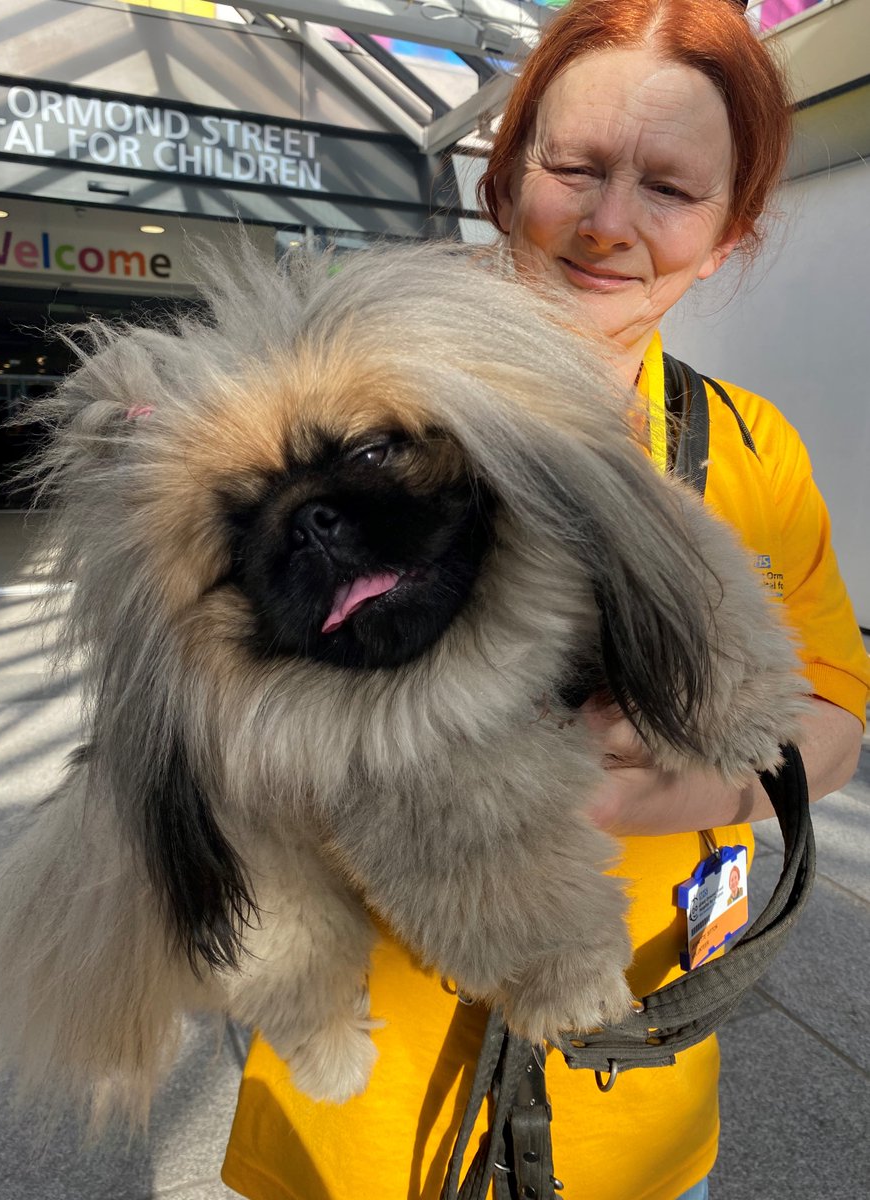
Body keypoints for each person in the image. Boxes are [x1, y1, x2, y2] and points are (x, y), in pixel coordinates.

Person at [221, 2, 870, 1198]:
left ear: (729, 235)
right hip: (364, 1125)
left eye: (671, 189)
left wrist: (688, 784)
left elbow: (834, 706)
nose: (609, 222)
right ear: (505, 178)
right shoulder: (331, 397)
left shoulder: (749, 448)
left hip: (639, 1117)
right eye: (572, 167)